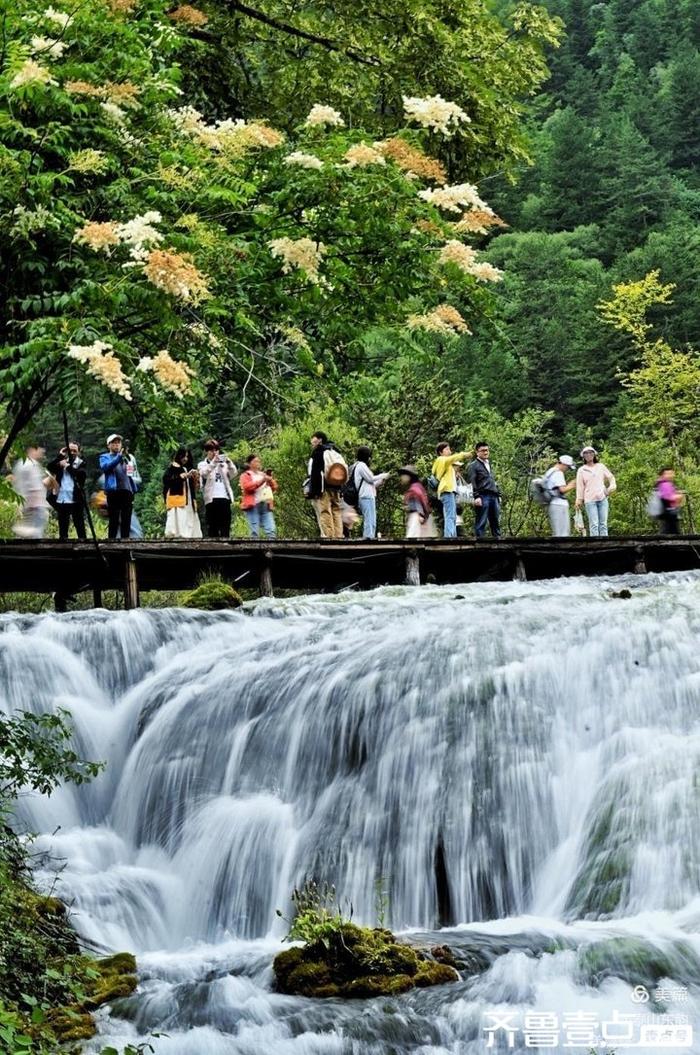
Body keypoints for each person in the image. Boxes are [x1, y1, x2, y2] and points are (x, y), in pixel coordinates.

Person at [307, 431, 345, 539]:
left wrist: (313, 491)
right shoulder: (335, 450)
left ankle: (329, 537)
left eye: (313, 440)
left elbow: (315, 473)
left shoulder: (318, 452)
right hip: (336, 486)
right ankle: (339, 536)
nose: (312, 443)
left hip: (324, 487)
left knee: (325, 511)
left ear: (319, 440)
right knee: (336, 511)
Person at [99, 434, 138, 539]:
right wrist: (118, 457)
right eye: (114, 443)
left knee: (126, 519)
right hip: (113, 491)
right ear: (109, 445)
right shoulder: (104, 457)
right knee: (114, 518)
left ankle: (126, 542)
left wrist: (128, 461)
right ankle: (111, 541)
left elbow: (131, 473)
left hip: (127, 490)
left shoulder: (126, 457)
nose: (117, 445)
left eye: (118, 443)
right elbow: (105, 467)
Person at [47, 442, 87, 540]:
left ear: (78, 452)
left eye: (75, 451)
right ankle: (63, 545)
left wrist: (67, 466)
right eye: (70, 450)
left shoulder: (81, 462)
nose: (72, 452)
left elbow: (80, 475)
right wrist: (60, 456)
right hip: (62, 498)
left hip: (76, 499)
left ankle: (84, 546)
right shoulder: (62, 461)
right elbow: (50, 467)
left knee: (79, 525)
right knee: (63, 526)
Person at [198, 439, 237, 538]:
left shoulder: (223, 464)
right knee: (213, 526)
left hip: (224, 497)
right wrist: (213, 463)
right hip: (211, 499)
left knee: (225, 526)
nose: (214, 453)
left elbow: (233, 474)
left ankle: (226, 547)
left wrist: (229, 462)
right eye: (211, 450)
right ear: (207, 451)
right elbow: (204, 473)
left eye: (216, 450)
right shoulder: (202, 464)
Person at [349, 446, 390, 540]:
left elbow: (371, 484)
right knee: (369, 518)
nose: (370, 459)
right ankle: (368, 538)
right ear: (366, 456)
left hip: (368, 496)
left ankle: (370, 536)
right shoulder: (361, 466)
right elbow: (371, 478)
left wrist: (381, 481)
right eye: (369, 456)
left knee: (372, 519)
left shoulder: (360, 466)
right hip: (365, 496)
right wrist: (383, 475)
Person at [575, 446, 616, 537]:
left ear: (594, 454)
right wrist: (579, 500)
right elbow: (580, 486)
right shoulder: (581, 470)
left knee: (603, 524)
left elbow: (611, 477)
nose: (589, 455)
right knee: (594, 524)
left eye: (590, 453)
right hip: (590, 500)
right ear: (583, 456)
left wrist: (610, 488)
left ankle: (605, 545)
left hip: (602, 498)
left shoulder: (601, 466)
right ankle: (595, 545)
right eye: (586, 453)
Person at [11, 444, 49, 538]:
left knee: (27, 531)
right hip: (34, 505)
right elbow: (34, 487)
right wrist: (36, 504)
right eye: (40, 450)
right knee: (35, 534)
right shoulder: (32, 464)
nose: (42, 453)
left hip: (23, 503)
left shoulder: (20, 464)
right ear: (32, 450)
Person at [163, 448, 202, 539]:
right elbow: (166, 480)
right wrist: (181, 476)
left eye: (187, 457)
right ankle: (178, 535)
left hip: (188, 498)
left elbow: (194, 487)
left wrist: (195, 477)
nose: (185, 459)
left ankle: (191, 535)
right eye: (184, 456)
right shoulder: (172, 467)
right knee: (179, 516)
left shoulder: (187, 468)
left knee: (188, 516)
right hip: (177, 497)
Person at [431, 442, 468, 538]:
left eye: (449, 449)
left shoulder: (446, 463)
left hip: (449, 491)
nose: (449, 451)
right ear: (440, 452)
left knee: (451, 515)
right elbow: (452, 458)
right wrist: (464, 454)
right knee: (450, 516)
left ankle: (452, 536)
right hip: (447, 490)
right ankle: (449, 537)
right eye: (447, 449)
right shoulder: (441, 459)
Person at [466, 441, 501, 539]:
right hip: (482, 495)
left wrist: (498, 493)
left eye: (487, 450)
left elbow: (492, 480)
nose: (486, 452)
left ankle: (498, 542)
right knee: (481, 521)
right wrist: (476, 496)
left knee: (495, 521)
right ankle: (480, 542)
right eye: (483, 451)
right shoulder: (473, 465)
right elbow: (472, 482)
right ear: (477, 452)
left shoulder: (489, 464)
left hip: (493, 495)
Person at [240, 455, 277, 538]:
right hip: (253, 505)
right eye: (255, 461)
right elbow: (247, 487)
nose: (258, 463)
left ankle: (271, 549)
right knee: (254, 531)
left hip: (266, 505)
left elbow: (274, 488)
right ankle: (254, 550)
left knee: (271, 530)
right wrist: (262, 480)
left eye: (259, 461)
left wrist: (270, 480)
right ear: (250, 464)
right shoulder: (246, 475)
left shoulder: (263, 474)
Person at [542, 455, 576, 536]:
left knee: (557, 531)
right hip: (559, 504)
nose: (567, 470)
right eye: (567, 467)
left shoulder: (550, 472)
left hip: (552, 504)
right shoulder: (558, 473)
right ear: (563, 464)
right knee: (563, 533)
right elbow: (562, 489)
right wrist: (572, 485)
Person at [399, 466, 435, 538]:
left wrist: (420, 514)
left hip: (416, 516)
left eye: (403, 476)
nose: (402, 478)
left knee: (412, 536)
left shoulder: (414, 489)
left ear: (409, 476)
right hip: (416, 516)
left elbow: (417, 502)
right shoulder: (417, 487)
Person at [656, 467, 683, 534]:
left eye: (671, 473)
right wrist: (678, 496)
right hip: (668, 513)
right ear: (663, 475)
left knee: (668, 531)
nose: (671, 475)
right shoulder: (665, 484)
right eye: (668, 473)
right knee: (671, 532)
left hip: (668, 513)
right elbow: (667, 497)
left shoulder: (666, 484)